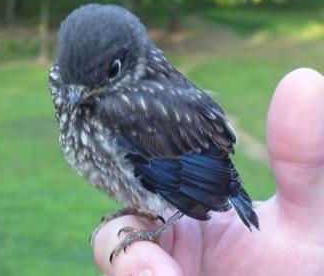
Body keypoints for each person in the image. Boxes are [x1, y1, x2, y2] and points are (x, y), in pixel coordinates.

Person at [93, 68, 324, 276]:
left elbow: (180, 179)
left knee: (175, 186)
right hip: (198, 161)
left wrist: (155, 234)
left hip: (198, 166)